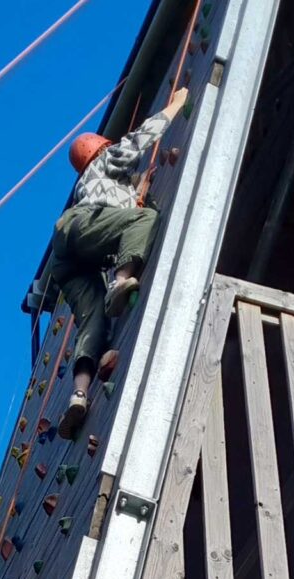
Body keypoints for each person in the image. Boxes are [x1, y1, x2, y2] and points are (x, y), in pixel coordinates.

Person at [50, 87, 190, 439]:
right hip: (84, 227)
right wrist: (174, 108)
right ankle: (121, 279)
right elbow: (135, 143)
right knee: (143, 221)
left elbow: (118, 204)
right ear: (100, 149)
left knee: (93, 324)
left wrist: (140, 185)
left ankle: (78, 396)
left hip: (67, 257)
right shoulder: (104, 160)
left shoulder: (95, 183)